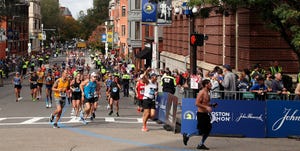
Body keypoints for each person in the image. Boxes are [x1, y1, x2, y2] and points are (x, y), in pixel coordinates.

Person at [183, 79, 216, 150]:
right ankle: (187, 136)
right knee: (201, 130)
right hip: (201, 114)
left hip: (205, 114)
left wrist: (211, 105)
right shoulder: (202, 92)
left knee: (208, 129)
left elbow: (205, 103)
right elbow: (197, 103)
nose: (211, 85)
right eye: (210, 84)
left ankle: (201, 144)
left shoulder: (207, 92)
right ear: (206, 85)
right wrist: (206, 107)